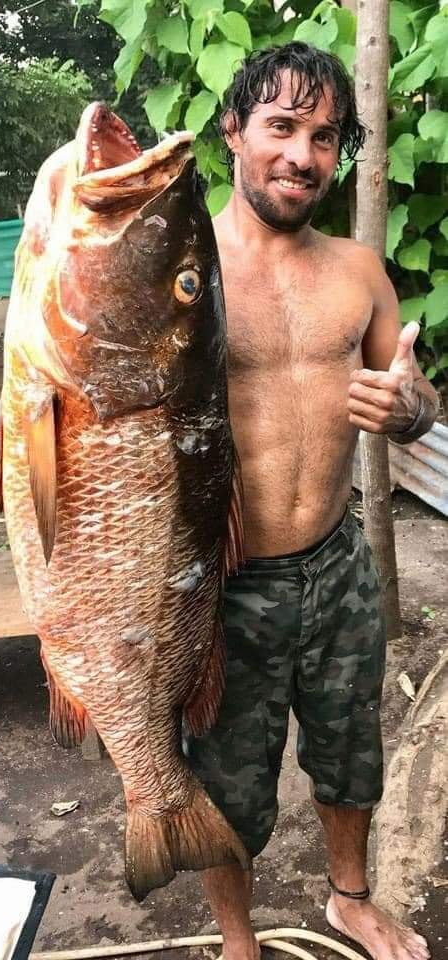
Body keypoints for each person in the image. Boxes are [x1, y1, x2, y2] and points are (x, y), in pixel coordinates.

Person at [188, 41, 439, 960]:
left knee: (348, 751)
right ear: (234, 132)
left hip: (336, 562)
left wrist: (409, 409)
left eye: (323, 137)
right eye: (281, 126)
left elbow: (413, 393)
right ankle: (236, 936)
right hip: (221, 578)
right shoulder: (183, 268)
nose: (302, 154)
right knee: (223, 778)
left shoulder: (359, 269)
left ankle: (348, 900)